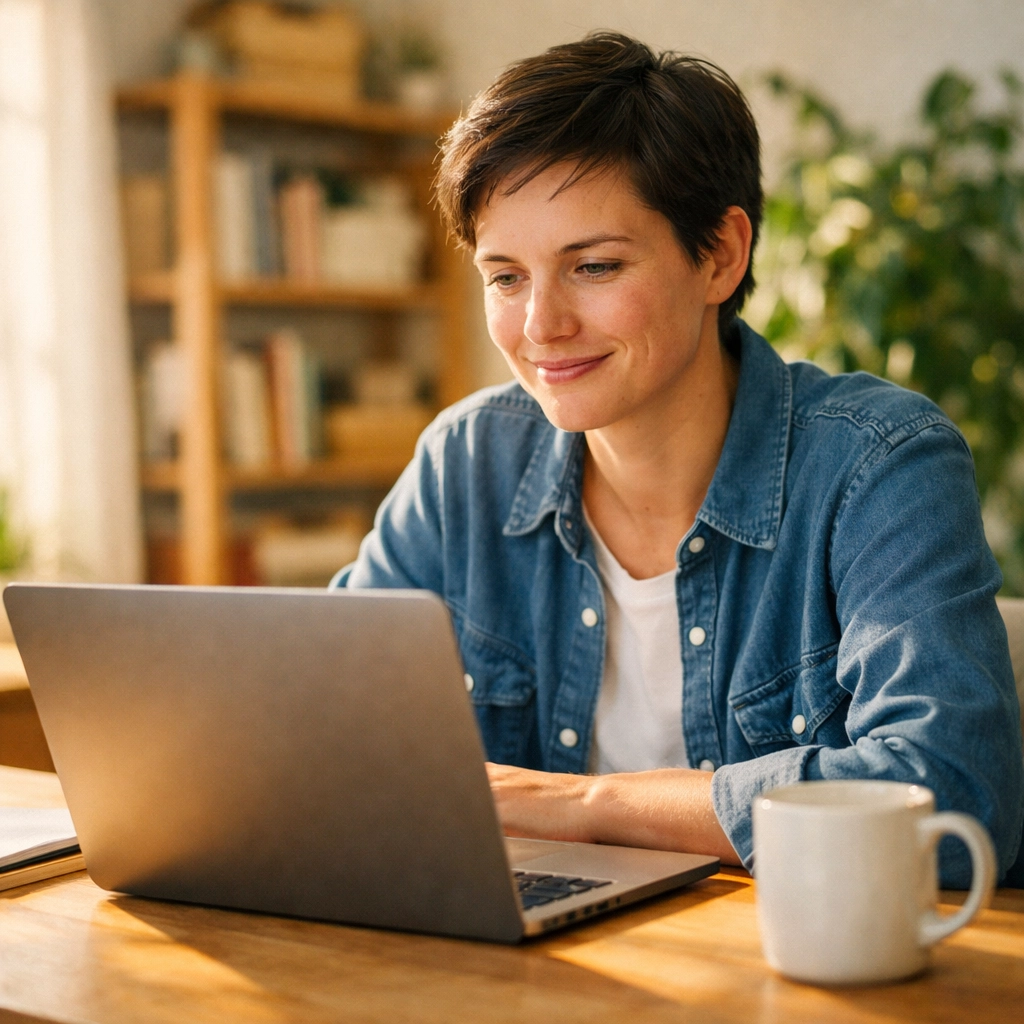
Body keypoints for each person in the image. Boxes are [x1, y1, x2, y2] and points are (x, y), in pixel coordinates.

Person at [333, 31, 1024, 886]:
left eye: (592, 266)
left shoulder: (877, 465)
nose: (541, 326)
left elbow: (954, 793)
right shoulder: (466, 462)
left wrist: (583, 805)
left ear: (721, 256)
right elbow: (326, 735)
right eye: (505, 277)